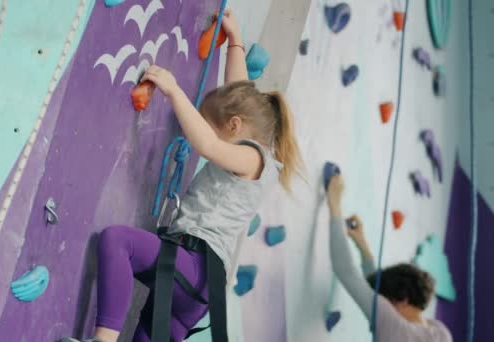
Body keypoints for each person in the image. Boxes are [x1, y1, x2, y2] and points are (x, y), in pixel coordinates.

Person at [62, 10, 302, 342]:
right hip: (194, 287)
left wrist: (174, 91)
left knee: (118, 241)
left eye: (215, 125)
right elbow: (238, 90)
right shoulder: (253, 148)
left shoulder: (253, 158)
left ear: (234, 126)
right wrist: (235, 41)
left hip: (192, 266)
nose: (209, 130)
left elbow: (207, 144)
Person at [325, 173, 452, 341]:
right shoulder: (440, 332)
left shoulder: (396, 329)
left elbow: (346, 272)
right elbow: (374, 291)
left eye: (387, 301)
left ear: (403, 300)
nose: (382, 303)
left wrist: (335, 205)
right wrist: (362, 245)